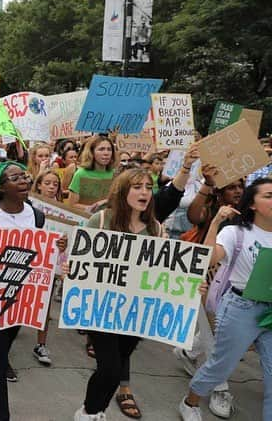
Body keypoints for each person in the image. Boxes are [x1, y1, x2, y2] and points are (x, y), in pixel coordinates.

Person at [0, 161, 66, 419]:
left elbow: (41, 256)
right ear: (1, 187)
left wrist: (58, 248)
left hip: (20, 293)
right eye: (15, 177)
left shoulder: (37, 216)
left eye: (24, 176)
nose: (23, 180)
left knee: (2, 348)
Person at [178, 179, 272, 421]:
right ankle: (190, 403)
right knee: (221, 365)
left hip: (270, 312)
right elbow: (208, 259)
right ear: (252, 204)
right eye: (269, 196)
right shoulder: (235, 232)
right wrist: (217, 222)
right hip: (241, 308)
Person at [72, 168, 162, 421]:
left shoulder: (156, 229)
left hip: (134, 313)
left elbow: (163, 274)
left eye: (148, 186)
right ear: (123, 191)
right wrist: (72, 267)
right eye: (137, 186)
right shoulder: (100, 221)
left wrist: (189, 287)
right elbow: (80, 259)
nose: (144, 191)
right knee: (111, 370)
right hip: (101, 308)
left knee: (118, 364)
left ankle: (95, 411)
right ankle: (88, 413)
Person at [30, 168, 65, 366]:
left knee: (44, 305)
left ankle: (41, 344)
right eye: (48, 183)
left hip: (49, 263)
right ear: (39, 185)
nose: (52, 187)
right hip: (29, 261)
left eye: (55, 184)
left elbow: (65, 239)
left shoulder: (63, 212)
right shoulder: (28, 207)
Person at [67, 136, 117, 208]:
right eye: (101, 149)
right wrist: (93, 207)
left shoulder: (115, 174)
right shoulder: (80, 174)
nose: (106, 153)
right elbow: (72, 205)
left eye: (109, 149)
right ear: (91, 152)